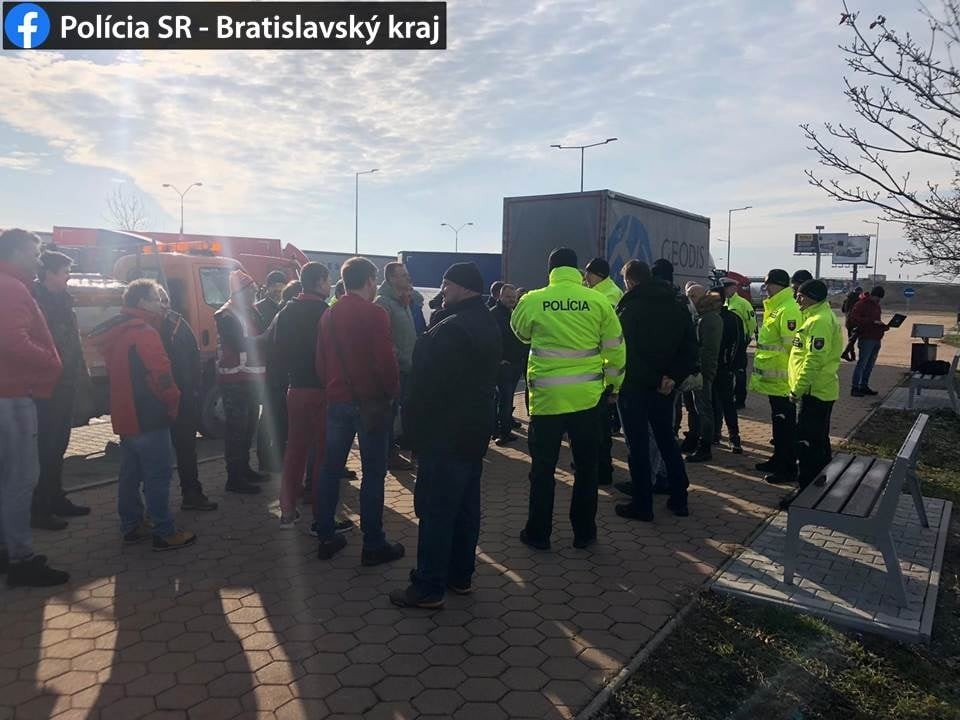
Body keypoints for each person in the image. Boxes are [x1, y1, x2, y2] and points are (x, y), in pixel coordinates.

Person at [391, 263, 501, 608]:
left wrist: (412, 433)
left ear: (464, 287)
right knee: (466, 506)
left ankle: (428, 587)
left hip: (444, 433)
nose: (442, 290)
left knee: (437, 510)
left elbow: (428, 388)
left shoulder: (451, 329)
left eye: (446, 283)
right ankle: (460, 575)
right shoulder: (487, 321)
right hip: (473, 430)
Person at [510, 248, 625, 550]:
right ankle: (584, 533)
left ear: (550, 270)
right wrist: (613, 386)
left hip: (547, 400)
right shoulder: (598, 301)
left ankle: (538, 533)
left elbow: (520, 333)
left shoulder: (532, 300)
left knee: (543, 469)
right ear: (577, 271)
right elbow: (615, 349)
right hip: (587, 399)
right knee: (587, 468)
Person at [91, 279, 197, 551]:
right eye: (155, 298)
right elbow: (161, 374)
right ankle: (164, 531)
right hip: (149, 414)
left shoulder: (119, 331)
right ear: (141, 302)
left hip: (126, 414)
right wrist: (173, 400)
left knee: (130, 474)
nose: (160, 303)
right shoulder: (144, 332)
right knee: (158, 475)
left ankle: (131, 525)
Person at [314, 257, 404, 565]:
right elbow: (385, 361)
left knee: (329, 470)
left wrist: (334, 388)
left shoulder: (328, 314)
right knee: (374, 473)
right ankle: (373, 543)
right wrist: (392, 392)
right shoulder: (375, 313)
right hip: (371, 403)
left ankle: (326, 536)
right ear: (369, 280)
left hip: (337, 401)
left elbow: (320, 362)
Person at [0, 229, 69, 587]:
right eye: (34, 252)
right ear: (14, 253)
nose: (39, 260)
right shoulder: (11, 288)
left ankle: (7, 549)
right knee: (20, 479)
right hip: (12, 396)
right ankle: (21, 559)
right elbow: (12, 339)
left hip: (10, 392)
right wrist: (50, 361)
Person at [614, 260, 698, 521]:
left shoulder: (630, 308)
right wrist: (672, 377)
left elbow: (624, 352)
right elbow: (690, 348)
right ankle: (679, 498)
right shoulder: (677, 304)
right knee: (667, 441)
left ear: (630, 281)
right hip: (665, 388)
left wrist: (653, 378)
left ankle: (642, 505)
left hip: (635, 387)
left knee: (638, 446)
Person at [31, 251, 90, 530]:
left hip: (66, 384)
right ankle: (39, 508)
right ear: (49, 273)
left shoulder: (64, 301)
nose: (69, 276)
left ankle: (56, 497)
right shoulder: (35, 301)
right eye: (65, 271)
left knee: (59, 446)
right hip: (45, 388)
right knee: (44, 448)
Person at [273, 262, 331, 527]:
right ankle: (321, 517)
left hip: (295, 388)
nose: (329, 286)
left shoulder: (286, 311)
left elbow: (277, 350)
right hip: (321, 389)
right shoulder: (325, 312)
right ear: (319, 282)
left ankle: (287, 510)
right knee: (322, 453)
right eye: (327, 281)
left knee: (295, 449)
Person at [157, 287, 218, 512]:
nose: (163, 304)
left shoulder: (179, 324)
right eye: (158, 300)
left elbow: (194, 356)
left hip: (184, 397)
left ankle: (191, 493)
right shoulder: (147, 327)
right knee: (156, 455)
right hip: (159, 400)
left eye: (165, 299)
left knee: (186, 450)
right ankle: (155, 506)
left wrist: (194, 389)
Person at [215, 270, 268, 495]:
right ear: (241, 290)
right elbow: (239, 343)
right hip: (234, 380)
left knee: (248, 428)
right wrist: (265, 339)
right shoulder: (226, 314)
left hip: (250, 378)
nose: (255, 292)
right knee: (236, 430)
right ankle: (234, 477)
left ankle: (244, 469)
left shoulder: (250, 310)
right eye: (252, 289)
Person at [788, 279, 843, 495]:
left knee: (808, 444)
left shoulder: (819, 321)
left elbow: (814, 360)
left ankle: (805, 491)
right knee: (819, 441)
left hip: (814, 392)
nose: (797, 299)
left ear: (812, 297)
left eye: (801, 296)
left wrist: (798, 389)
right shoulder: (816, 317)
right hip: (820, 390)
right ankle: (820, 484)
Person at [751, 269, 803, 485]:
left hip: (784, 381)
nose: (766, 289)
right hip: (775, 381)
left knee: (785, 428)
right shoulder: (777, 307)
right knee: (779, 425)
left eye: (768, 285)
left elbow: (793, 349)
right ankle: (778, 459)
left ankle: (787, 468)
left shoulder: (788, 309)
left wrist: (793, 380)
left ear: (779, 285)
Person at [583, 257, 625, 480]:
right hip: (597, 367)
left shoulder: (607, 295)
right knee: (595, 425)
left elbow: (603, 335)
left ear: (598, 274)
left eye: (588, 273)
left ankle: (602, 470)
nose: (585, 277)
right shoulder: (601, 292)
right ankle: (598, 467)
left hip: (601, 368)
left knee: (599, 426)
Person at [375, 262, 417, 471]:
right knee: (390, 413)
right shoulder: (383, 303)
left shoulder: (403, 301)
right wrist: (399, 358)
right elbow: (385, 338)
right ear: (391, 278)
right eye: (403, 275)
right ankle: (389, 454)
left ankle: (404, 446)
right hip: (395, 368)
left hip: (408, 367)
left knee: (405, 409)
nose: (408, 278)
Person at [681, 285, 722, 462]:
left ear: (704, 296)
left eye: (693, 295)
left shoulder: (710, 319)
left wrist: (700, 371)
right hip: (694, 370)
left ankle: (705, 446)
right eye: (688, 295)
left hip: (702, 372)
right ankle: (694, 438)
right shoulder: (699, 316)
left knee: (704, 409)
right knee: (693, 408)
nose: (690, 298)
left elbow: (708, 350)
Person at [490, 284, 526, 445]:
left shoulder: (515, 312)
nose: (512, 300)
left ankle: (504, 428)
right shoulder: (494, 314)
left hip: (516, 363)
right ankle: (500, 432)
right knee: (504, 400)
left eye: (513, 297)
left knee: (507, 399)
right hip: (504, 365)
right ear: (500, 296)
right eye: (508, 297)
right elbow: (492, 339)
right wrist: (499, 359)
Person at [712, 290, 745, 453]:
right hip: (710, 368)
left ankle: (734, 437)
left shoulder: (732, 318)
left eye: (715, 299)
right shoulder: (706, 316)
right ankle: (715, 433)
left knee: (727, 403)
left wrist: (730, 365)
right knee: (712, 403)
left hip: (724, 368)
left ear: (722, 301)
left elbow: (738, 343)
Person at [720, 278, 757, 408]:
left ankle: (740, 399)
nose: (725, 290)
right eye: (724, 288)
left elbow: (752, 323)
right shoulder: (723, 302)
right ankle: (728, 397)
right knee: (727, 371)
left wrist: (746, 337)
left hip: (740, 342)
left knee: (740, 371)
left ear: (734, 288)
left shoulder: (743, 303)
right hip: (727, 342)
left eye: (727, 287)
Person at [849, 286, 888, 396]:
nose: (878, 300)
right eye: (877, 298)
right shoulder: (861, 304)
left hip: (876, 337)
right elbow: (853, 318)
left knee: (870, 365)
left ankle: (863, 385)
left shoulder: (877, 306)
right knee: (862, 364)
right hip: (866, 338)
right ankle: (855, 387)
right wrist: (872, 322)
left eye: (880, 298)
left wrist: (882, 326)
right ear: (872, 295)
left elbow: (876, 320)